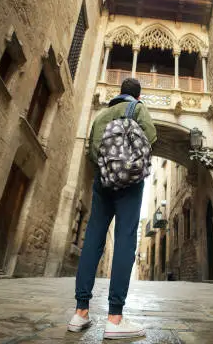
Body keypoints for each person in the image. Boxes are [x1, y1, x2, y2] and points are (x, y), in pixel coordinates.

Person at [67, 78, 157, 339]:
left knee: (93, 239)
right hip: (130, 183)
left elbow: (93, 151)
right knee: (125, 242)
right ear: (137, 97)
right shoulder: (137, 109)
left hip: (102, 182)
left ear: (118, 94)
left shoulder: (102, 114)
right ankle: (115, 318)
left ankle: (80, 312)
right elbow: (151, 137)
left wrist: (108, 168)